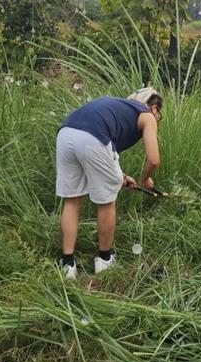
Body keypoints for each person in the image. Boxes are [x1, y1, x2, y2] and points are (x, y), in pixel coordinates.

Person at [55, 87, 162, 279]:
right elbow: (153, 159)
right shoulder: (147, 115)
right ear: (154, 108)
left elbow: (102, 151)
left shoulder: (117, 106)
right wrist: (144, 179)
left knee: (71, 200)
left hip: (65, 133)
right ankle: (104, 261)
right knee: (106, 202)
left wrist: (120, 177)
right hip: (93, 138)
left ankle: (67, 265)